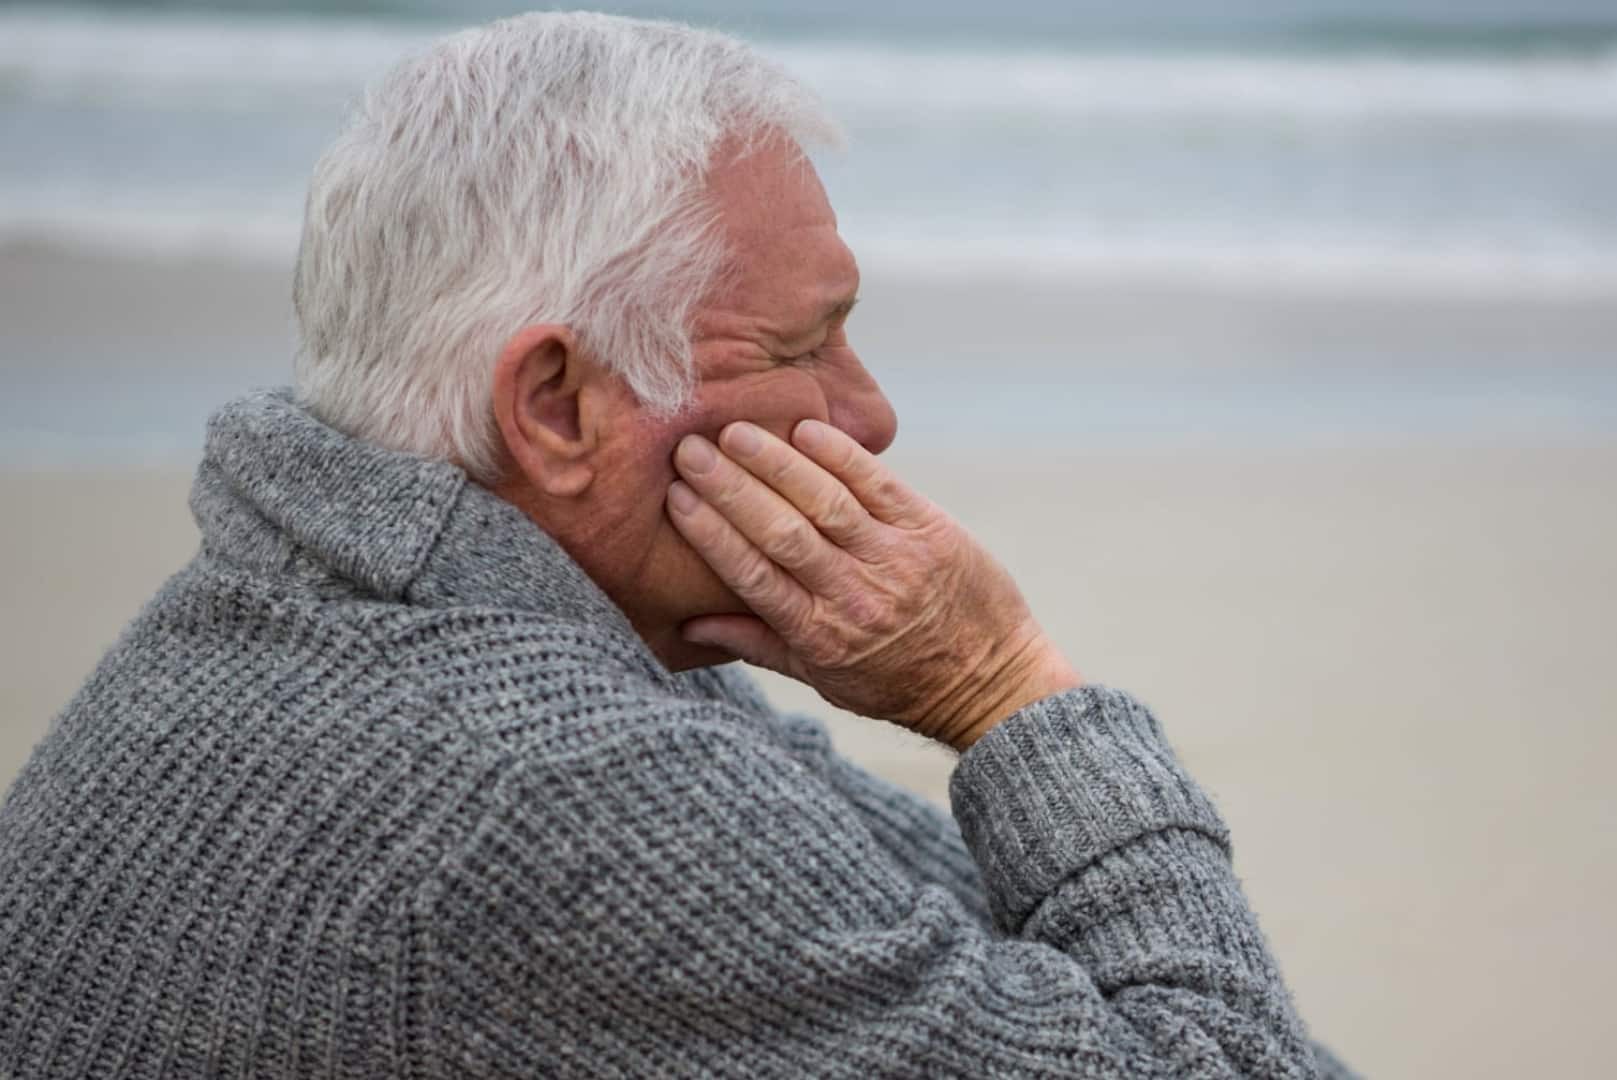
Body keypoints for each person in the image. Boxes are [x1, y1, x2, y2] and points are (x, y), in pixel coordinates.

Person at [0, 13, 1352, 1078]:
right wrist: (1004, 693)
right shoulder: (544, 781)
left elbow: (950, 951)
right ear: (556, 407)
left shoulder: (308, 591)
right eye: (798, 347)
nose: (869, 416)